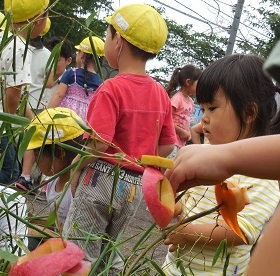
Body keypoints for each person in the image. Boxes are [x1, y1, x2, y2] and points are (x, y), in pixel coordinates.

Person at [63, 3, 176, 274]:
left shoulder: (111, 88)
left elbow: (99, 142)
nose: (106, 40)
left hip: (102, 176)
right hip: (135, 185)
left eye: (107, 34)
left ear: (119, 41)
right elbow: (168, 144)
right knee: (109, 248)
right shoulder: (160, 93)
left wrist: (76, 168)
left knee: (79, 251)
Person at [162, 54, 280, 275]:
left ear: (249, 113)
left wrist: (188, 233)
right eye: (202, 109)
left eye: (212, 109)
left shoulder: (263, 174)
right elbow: (186, 204)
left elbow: (243, 232)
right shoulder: (204, 158)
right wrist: (166, 203)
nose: (203, 118)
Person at [0, 0, 49, 185]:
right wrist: (12, 125)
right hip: (3, 124)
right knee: (11, 171)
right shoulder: (20, 48)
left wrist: (31, 121)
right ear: (38, 20)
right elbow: (13, 95)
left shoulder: (5, 40)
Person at [26, 107, 85, 250]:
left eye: (37, 153)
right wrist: (32, 221)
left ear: (59, 152)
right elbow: (57, 224)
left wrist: (33, 230)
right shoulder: (53, 180)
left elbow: (76, 236)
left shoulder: (77, 188)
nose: (33, 160)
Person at [15, 18, 52, 195]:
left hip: (20, 101)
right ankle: (27, 176)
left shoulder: (18, 47)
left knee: (16, 141)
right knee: (33, 142)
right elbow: (51, 82)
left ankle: (21, 174)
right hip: (39, 104)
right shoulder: (47, 55)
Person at [48, 36, 104, 122]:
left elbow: (58, 95)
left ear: (81, 54)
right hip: (85, 122)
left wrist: (47, 114)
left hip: (66, 117)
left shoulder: (71, 73)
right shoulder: (100, 82)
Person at [166, 65, 202, 158]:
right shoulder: (177, 99)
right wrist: (181, 132)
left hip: (181, 143)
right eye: (198, 84)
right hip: (172, 142)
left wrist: (187, 133)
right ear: (188, 82)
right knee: (169, 168)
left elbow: (186, 121)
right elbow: (166, 120)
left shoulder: (190, 101)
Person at [42, 36, 73, 106]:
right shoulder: (39, 76)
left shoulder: (70, 85)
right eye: (50, 59)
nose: (52, 64)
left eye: (57, 60)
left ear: (68, 61)